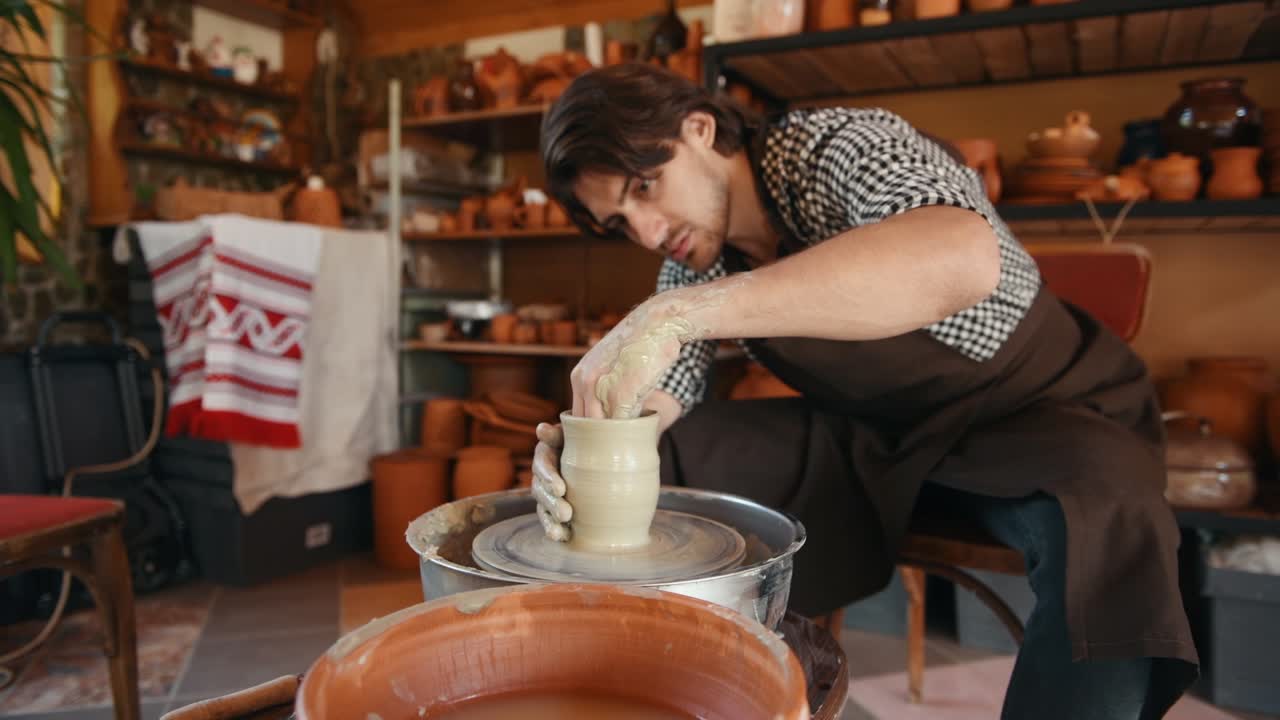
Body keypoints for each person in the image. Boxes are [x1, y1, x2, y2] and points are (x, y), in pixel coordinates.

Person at [531, 63, 1197, 719]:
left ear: (701, 129)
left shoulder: (833, 146)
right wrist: (589, 443)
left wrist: (680, 315)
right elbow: (659, 399)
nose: (647, 232)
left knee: (1113, 522)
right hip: (884, 436)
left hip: (1041, 413)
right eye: (619, 221)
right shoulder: (694, 259)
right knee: (676, 460)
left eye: (646, 186)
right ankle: (677, 696)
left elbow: (960, 252)